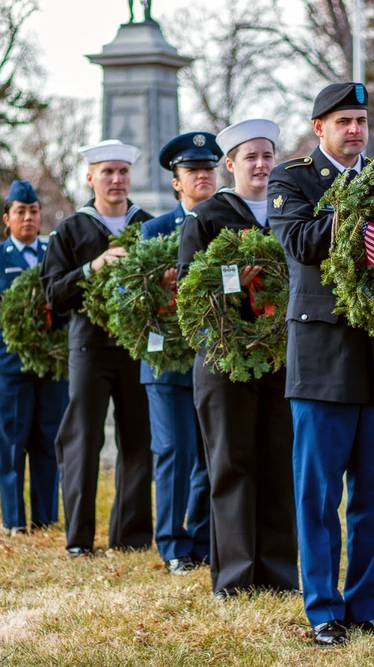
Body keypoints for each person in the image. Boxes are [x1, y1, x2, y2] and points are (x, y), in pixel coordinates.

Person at [267, 83, 374, 647]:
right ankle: (324, 609)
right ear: (319, 127)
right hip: (323, 362)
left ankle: (367, 604)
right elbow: (302, 243)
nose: (355, 130)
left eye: (361, 120)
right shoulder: (292, 178)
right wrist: (362, 200)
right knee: (318, 495)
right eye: (343, 121)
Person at [177, 119, 299, 599]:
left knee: (276, 463)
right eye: (250, 157)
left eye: (268, 155)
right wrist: (234, 278)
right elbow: (190, 285)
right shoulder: (208, 215)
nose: (261, 164)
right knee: (231, 465)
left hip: (280, 358)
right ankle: (234, 578)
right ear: (231, 164)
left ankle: (278, 574)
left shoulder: (288, 210)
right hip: (225, 360)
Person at [39, 140, 154, 557]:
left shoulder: (148, 226)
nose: (117, 179)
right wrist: (94, 266)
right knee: (83, 441)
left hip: (138, 346)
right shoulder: (71, 230)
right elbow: (53, 293)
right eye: (107, 171)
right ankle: (79, 539)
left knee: (139, 440)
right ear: (90, 177)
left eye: (123, 171)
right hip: (89, 348)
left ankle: (132, 536)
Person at [140, 132, 221, 574]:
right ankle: (173, 544)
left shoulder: (227, 225)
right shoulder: (154, 232)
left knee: (209, 456)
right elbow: (131, 297)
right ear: (176, 183)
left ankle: (204, 540)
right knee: (174, 451)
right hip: (167, 361)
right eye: (193, 171)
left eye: (208, 168)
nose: (202, 176)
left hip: (214, 359)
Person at [0, 180, 68, 535]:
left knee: (47, 438)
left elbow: (67, 298)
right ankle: (14, 520)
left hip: (51, 361)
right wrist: (21, 317)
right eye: (20, 212)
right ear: (7, 218)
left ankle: (45, 516)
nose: (28, 218)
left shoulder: (55, 253)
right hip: (9, 364)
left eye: (34, 211)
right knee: (12, 441)